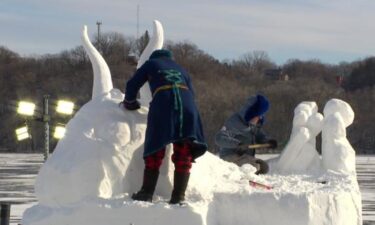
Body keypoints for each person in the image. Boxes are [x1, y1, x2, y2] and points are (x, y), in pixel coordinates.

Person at [122, 49, 207, 204]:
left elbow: (133, 84)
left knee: (156, 145)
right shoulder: (181, 69)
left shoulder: (150, 64)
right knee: (184, 150)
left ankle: (146, 192)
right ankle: (178, 196)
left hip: (164, 103)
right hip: (188, 107)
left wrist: (130, 103)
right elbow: (192, 93)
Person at [215, 94, 277, 174]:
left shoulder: (253, 125)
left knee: (264, 167)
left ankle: (249, 176)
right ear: (251, 113)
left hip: (245, 157)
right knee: (254, 166)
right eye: (258, 115)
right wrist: (238, 144)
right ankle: (239, 177)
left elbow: (259, 135)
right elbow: (219, 138)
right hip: (230, 157)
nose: (259, 118)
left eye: (261, 116)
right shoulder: (234, 122)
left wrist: (267, 142)